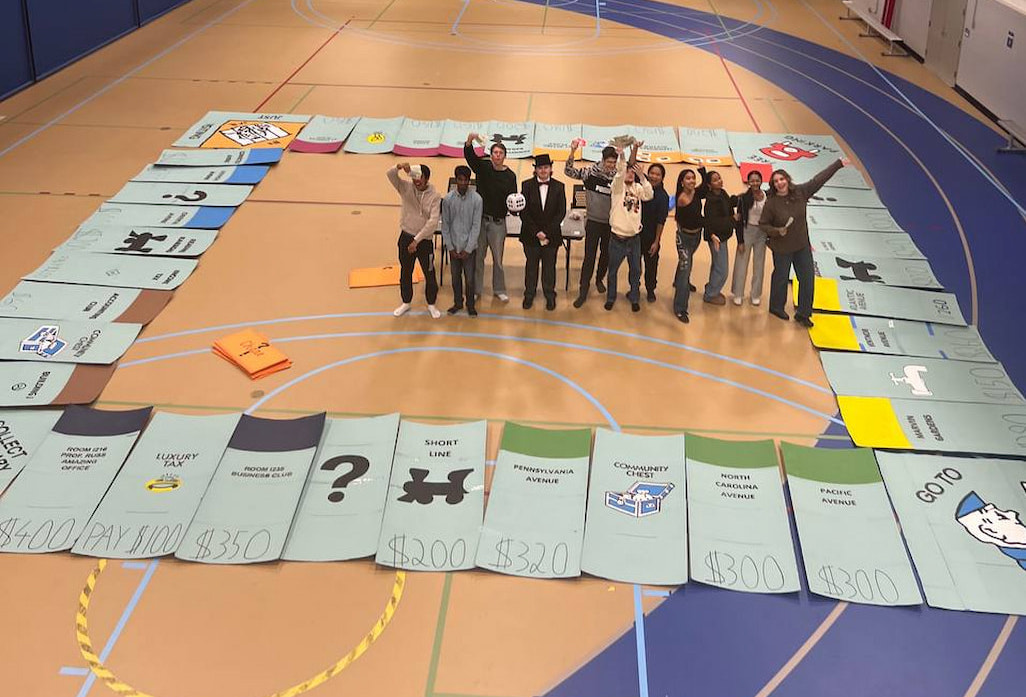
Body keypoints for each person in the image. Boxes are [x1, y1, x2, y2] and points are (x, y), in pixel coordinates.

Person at [759, 158, 846, 327]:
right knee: (781, 278)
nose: (780, 183)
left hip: (801, 246)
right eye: (776, 181)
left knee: (807, 279)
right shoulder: (771, 203)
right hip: (782, 248)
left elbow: (818, 180)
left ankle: (804, 313)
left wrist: (838, 164)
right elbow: (763, 224)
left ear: (787, 179)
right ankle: (776, 307)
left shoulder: (801, 192)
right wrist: (776, 231)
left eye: (782, 179)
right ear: (773, 185)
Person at [464, 134, 517, 303]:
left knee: (498, 260)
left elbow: (512, 199)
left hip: (498, 224)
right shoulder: (483, 167)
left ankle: (499, 289)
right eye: (495, 152)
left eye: (501, 153)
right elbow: (470, 158)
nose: (497, 156)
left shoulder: (510, 176)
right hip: (480, 221)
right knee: (478, 257)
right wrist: (469, 141)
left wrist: (515, 209)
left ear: (504, 156)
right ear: (491, 154)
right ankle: (476, 290)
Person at [566, 141, 617, 307]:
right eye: (608, 162)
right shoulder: (590, 173)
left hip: (610, 224)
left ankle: (599, 279)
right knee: (589, 257)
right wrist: (572, 152)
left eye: (613, 162)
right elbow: (569, 171)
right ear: (602, 160)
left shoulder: (618, 177)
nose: (611, 165)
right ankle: (583, 290)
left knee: (606, 255)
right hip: (593, 222)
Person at [387, 162, 441, 319]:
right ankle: (406, 302)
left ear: (427, 178)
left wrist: (416, 241)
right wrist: (398, 167)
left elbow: (433, 222)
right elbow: (390, 175)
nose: (417, 180)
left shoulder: (435, 196)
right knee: (406, 271)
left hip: (424, 241)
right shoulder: (405, 188)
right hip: (406, 237)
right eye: (414, 177)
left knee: (429, 273)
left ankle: (431, 304)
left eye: (420, 177)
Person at [605, 144, 653, 312]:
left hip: (634, 239)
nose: (630, 174)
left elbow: (649, 195)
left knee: (636, 271)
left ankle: (634, 297)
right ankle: (611, 297)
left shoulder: (638, 188)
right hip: (617, 239)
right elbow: (619, 174)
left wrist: (643, 178)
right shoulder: (617, 188)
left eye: (633, 172)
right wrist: (622, 157)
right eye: (628, 172)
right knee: (612, 271)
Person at [520, 154, 566, 311]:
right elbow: (524, 212)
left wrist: (546, 232)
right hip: (531, 235)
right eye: (540, 168)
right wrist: (536, 232)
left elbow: (560, 213)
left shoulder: (559, 187)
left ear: (551, 169)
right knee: (531, 267)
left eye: (546, 167)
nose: (543, 170)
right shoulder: (526, 185)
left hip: (551, 236)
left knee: (549, 268)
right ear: (536, 170)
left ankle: (549, 295)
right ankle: (529, 294)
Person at [440, 165, 483, 316]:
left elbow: (476, 226)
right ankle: (458, 303)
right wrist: (450, 247)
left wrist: (468, 249)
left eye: (466, 180)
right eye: (460, 180)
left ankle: (470, 305)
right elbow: (445, 225)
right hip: (453, 247)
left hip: (469, 249)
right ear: (456, 180)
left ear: (469, 181)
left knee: (470, 279)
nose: (463, 183)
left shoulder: (477, 200)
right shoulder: (447, 200)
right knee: (455, 279)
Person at [671, 167, 707, 323]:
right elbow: (697, 219)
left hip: (696, 236)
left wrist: (703, 171)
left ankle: (678, 280)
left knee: (685, 264)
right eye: (688, 178)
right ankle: (680, 308)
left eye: (693, 178)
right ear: (682, 182)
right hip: (684, 238)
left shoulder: (695, 192)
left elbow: (704, 188)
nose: (692, 180)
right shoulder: (683, 199)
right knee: (686, 270)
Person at [730, 170, 768, 306]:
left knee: (759, 265)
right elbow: (739, 221)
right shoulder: (743, 198)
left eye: (757, 180)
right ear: (748, 182)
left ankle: (755, 294)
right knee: (741, 263)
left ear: (761, 181)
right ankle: (738, 293)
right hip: (747, 231)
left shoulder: (767, 196)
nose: (755, 183)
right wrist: (740, 241)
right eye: (752, 181)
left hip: (762, 233)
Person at [700, 169, 735, 306]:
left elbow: (729, 204)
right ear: (709, 185)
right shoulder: (711, 201)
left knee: (717, 265)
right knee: (722, 269)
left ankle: (712, 288)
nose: (719, 181)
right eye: (715, 180)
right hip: (716, 238)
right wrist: (733, 219)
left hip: (722, 236)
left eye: (719, 178)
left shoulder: (722, 193)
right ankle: (710, 294)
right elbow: (714, 223)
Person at [639, 162, 669, 303]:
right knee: (635, 265)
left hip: (651, 237)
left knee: (651, 267)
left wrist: (656, 241)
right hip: (636, 235)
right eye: (652, 173)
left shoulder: (663, 197)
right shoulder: (642, 186)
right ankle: (634, 288)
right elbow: (631, 165)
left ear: (662, 177)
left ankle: (650, 290)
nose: (654, 176)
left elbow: (661, 221)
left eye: (658, 175)